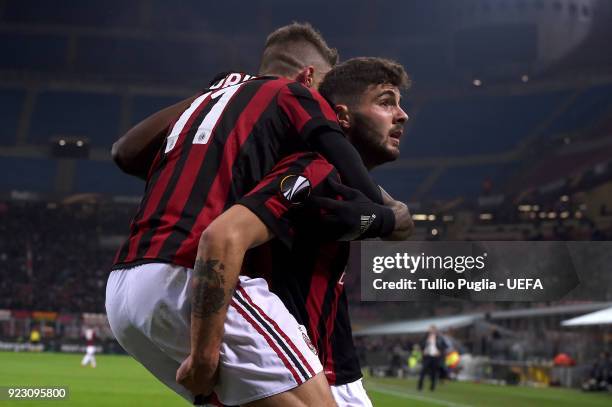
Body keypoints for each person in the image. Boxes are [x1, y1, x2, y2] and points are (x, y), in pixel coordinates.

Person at [107, 23, 408, 407]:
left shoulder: (218, 113)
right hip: (191, 272)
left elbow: (125, 153)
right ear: (309, 78)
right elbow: (223, 236)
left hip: (124, 289)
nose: (327, 107)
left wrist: (221, 93)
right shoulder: (298, 116)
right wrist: (386, 216)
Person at [194, 57, 412, 406]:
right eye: (386, 103)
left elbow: (400, 224)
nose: (402, 115)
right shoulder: (308, 170)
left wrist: (382, 216)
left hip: (324, 368)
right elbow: (223, 237)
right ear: (341, 116)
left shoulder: (344, 183)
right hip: (286, 371)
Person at [418, 325, 447, 391]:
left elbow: (444, 346)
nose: (431, 331)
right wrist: (422, 351)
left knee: (434, 372)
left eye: (433, 329)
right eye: (430, 329)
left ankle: (432, 387)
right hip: (427, 356)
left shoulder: (439, 338)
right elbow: (420, 345)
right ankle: (420, 386)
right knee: (423, 371)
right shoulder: (425, 337)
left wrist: (440, 352)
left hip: (435, 357)